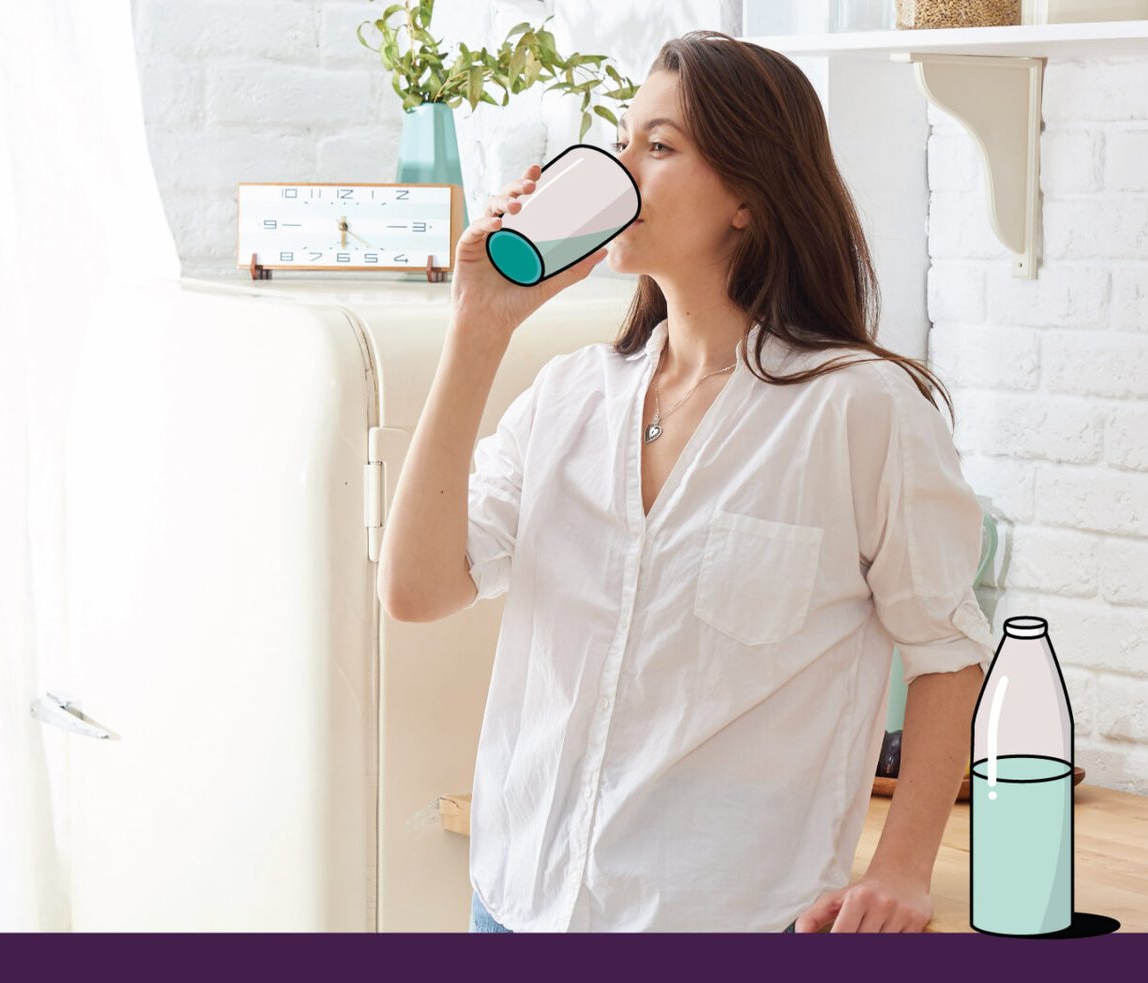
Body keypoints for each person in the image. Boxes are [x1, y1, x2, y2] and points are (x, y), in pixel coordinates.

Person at [377, 30, 991, 934]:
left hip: (728, 918)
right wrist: (479, 328)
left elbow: (947, 651)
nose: (619, 173)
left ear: (749, 195)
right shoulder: (569, 397)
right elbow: (416, 590)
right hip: (516, 907)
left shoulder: (860, 411)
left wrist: (902, 869)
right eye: (622, 141)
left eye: (657, 148)